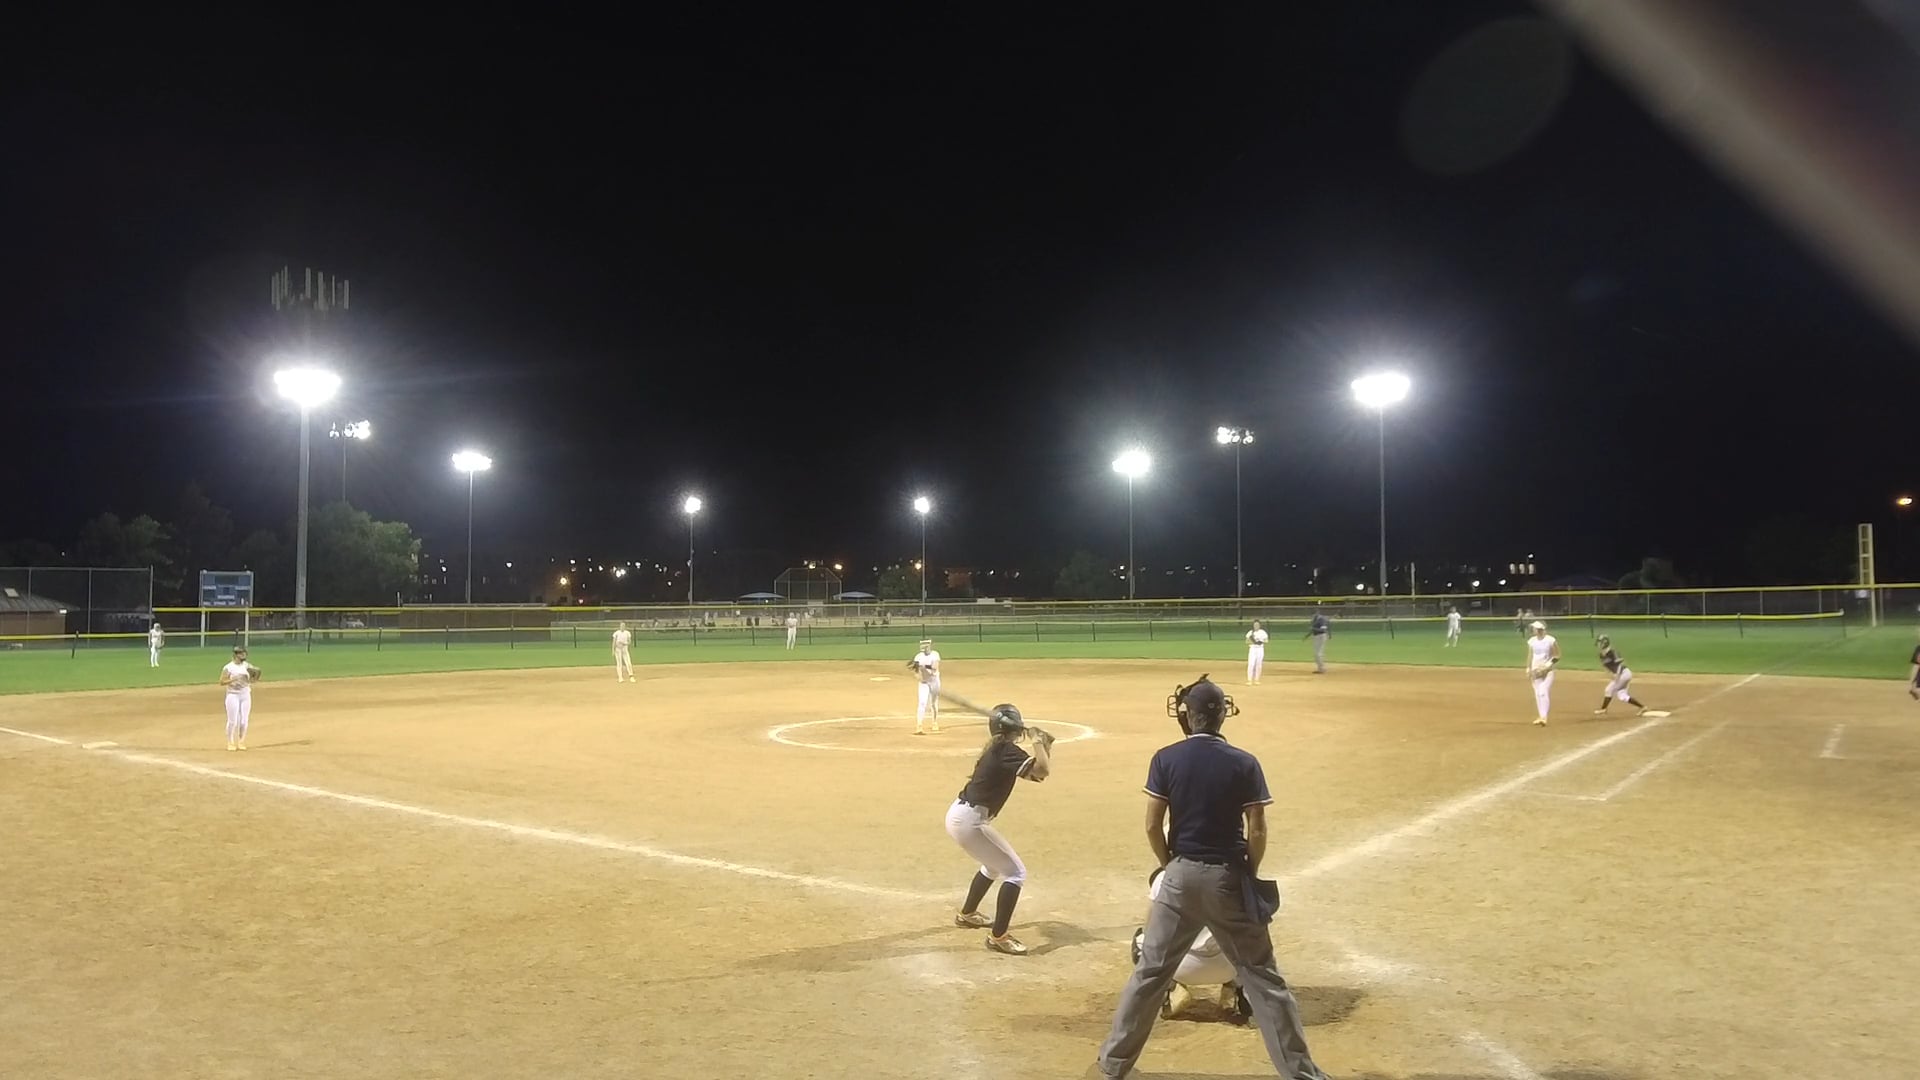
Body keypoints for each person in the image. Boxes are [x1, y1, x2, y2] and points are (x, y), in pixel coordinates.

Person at [1093, 675, 1330, 1079]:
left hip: (1179, 877)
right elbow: (1257, 828)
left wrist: (1170, 865)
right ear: (1222, 715)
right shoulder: (1244, 762)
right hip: (1227, 877)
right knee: (1264, 979)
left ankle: (1112, 1067)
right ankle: (1302, 1075)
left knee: (1150, 974)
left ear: (1187, 716)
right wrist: (1248, 871)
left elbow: (1152, 825)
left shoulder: (1166, 758)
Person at [945, 704, 1053, 956]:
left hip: (962, 816)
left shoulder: (999, 749)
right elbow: (1043, 769)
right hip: (970, 821)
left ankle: (967, 914)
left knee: (993, 866)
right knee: (1016, 873)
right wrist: (1038, 741)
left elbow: (1037, 775)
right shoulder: (1005, 750)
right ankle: (999, 937)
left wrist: (1044, 745)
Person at [1129, 866, 1252, 1023]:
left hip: (1181, 968)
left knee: (1141, 940)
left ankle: (1170, 989)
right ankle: (1236, 990)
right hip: (1229, 968)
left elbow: (1151, 933)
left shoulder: (1165, 877)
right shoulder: (1236, 875)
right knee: (1247, 942)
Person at [218, 644, 261, 751]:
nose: (244, 655)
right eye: (242, 653)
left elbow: (255, 677)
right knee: (233, 721)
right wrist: (234, 679)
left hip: (245, 694)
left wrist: (254, 678)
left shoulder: (247, 666)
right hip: (232, 695)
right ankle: (230, 742)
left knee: (244, 720)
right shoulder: (228, 667)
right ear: (236, 655)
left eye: (245, 653)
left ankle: (241, 741)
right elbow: (222, 682)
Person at [1592, 635, 1648, 716]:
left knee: (1609, 689)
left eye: (1599, 642)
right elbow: (1606, 667)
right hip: (1621, 675)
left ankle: (1603, 709)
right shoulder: (1601, 655)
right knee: (1622, 695)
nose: (1598, 644)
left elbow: (1620, 664)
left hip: (1624, 674)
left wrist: (1617, 675)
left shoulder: (1613, 652)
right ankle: (1642, 707)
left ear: (1604, 643)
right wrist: (1611, 675)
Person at [1525, 620, 1561, 726]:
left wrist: (1547, 666)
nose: (1533, 630)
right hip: (1535, 671)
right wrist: (1528, 668)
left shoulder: (1550, 640)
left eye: (1534, 628)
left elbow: (1557, 655)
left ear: (1539, 630)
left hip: (1547, 671)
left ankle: (1544, 717)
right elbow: (1530, 655)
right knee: (1537, 693)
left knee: (1543, 691)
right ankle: (1541, 716)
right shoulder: (1532, 641)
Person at [908, 638, 941, 735]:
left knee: (933, 703)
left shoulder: (935, 655)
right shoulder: (918, 657)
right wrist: (919, 678)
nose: (924, 647)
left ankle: (934, 722)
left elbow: (935, 667)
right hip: (924, 683)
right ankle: (919, 726)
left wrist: (924, 666)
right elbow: (916, 672)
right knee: (922, 703)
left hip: (934, 681)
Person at [1303, 608, 1330, 674]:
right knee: (1316, 654)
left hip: (1321, 637)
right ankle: (1320, 668)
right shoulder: (1314, 619)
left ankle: (1322, 669)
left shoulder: (1322, 619)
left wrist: (1313, 628)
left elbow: (1323, 630)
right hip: (1315, 637)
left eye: (1314, 613)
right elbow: (1312, 630)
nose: (1313, 615)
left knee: (1318, 654)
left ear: (1317, 613)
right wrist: (1307, 636)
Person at [1244, 621, 1268, 685]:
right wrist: (1254, 642)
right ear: (1253, 625)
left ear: (1259, 625)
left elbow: (1266, 640)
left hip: (1260, 649)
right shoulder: (1250, 632)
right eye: (1255, 625)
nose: (1256, 626)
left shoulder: (1262, 632)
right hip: (1252, 649)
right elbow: (1247, 641)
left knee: (1258, 664)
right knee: (1251, 664)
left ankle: (1257, 680)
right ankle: (1249, 680)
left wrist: (1261, 642)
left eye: (1257, 625)